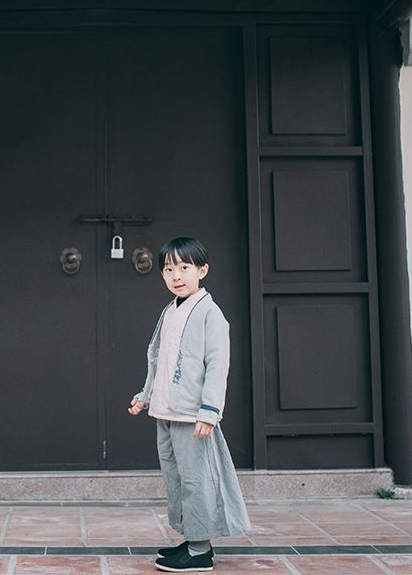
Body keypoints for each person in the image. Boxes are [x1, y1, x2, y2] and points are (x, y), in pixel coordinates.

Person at [128, 236, 251, 572]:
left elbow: (218, 364)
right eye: (169, 269)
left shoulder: (210, 313)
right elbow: (158, 358)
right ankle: (193, 539)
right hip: (165, 411)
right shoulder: (170, 311)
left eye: (184, 267)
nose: (176, 276)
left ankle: (200, 551)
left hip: (192, 415)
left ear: (202, 270)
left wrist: (210, 410)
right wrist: (145, 395)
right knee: (177, 479)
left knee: (197, 481)